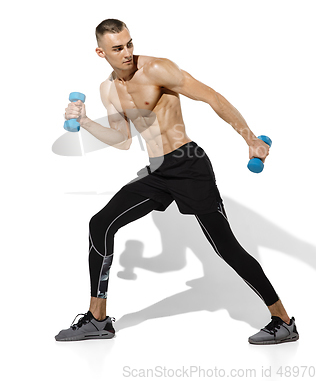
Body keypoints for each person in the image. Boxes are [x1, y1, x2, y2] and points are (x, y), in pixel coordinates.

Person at [55, 19, 299, 345]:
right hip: (157, 172)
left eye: (129, 44)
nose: (127, 53)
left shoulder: (157, 68)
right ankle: (98, 319)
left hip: (188, 165)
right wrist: (84, 121)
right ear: (101, 52)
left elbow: (211, 97)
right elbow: (122, 138)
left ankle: (283, 320)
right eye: (118, 48)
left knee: (225, 247)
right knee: (100, 224)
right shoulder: (108, 90)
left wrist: (250, 138)